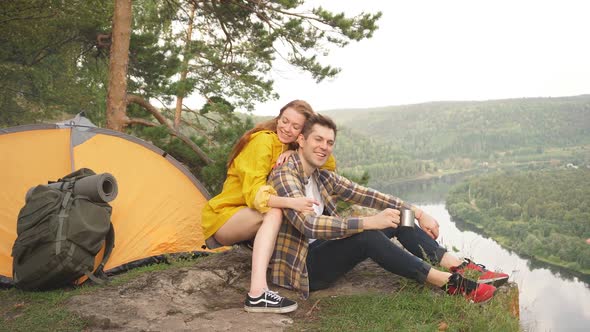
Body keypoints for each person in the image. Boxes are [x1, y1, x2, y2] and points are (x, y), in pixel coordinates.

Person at [268, 113, 509, 303]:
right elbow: (308, 224)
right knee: (368, 235)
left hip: (324, 250)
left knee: (398, 217)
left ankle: (458, 264)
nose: (324, 146)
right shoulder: (285, 174)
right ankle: (450, 283)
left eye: (329, 142)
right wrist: (368, 222)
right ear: (301, 140)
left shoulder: (321, 177)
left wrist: (418, 213)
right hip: (303, 268)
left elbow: (370, 196)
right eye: (318, 139)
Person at [201, 100, 336, 313]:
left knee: (277, 210)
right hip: (227, 217)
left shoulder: (289, 146)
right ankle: (256, 294)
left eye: (296, 127)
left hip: (248, 217)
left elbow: (329, 163)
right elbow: (255, 194)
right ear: (278, 117)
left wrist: (296, 152)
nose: (287, 129)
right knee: (274, 210)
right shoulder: (262, 141)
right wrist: (292, 202)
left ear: (303, 133)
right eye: (285, 121)